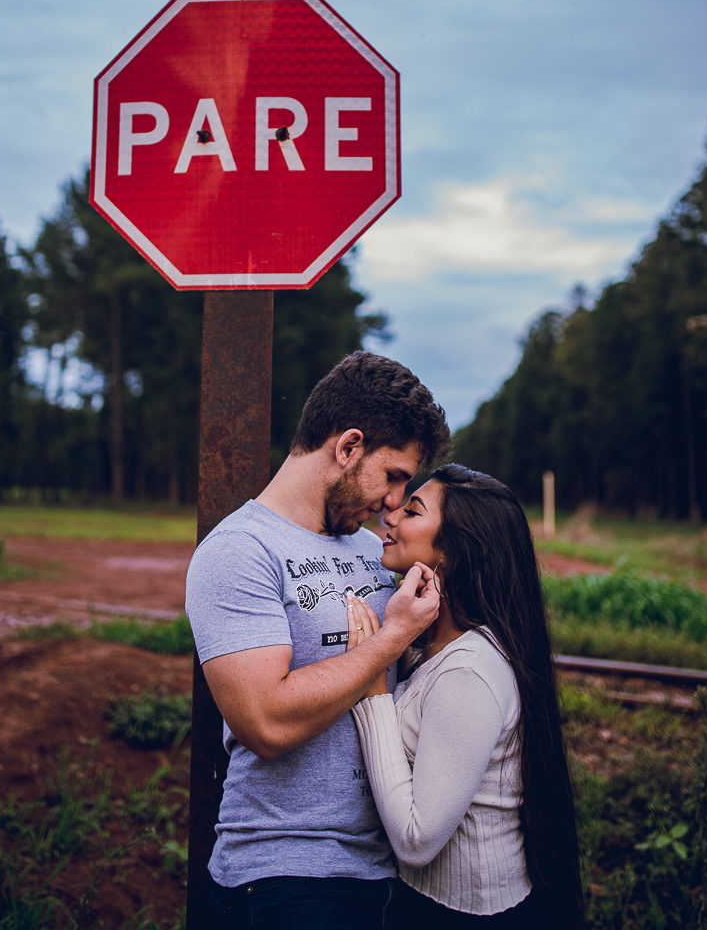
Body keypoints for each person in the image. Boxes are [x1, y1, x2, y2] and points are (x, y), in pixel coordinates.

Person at [185, 351, 452, 930]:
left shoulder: (373, 549)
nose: (394, 502)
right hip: (284, 878)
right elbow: (266, 724)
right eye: (393, 476)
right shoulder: (239, 551)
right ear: (349, 446)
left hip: (393, 871)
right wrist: (391, 638)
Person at [346, 464, 582, 930]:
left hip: (470, 917)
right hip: (433, 907)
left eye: (413, 510)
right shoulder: (438, 647)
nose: (390, 514)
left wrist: (372, 692)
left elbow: (416, 840)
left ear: (452, 552)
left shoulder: (469, 671)